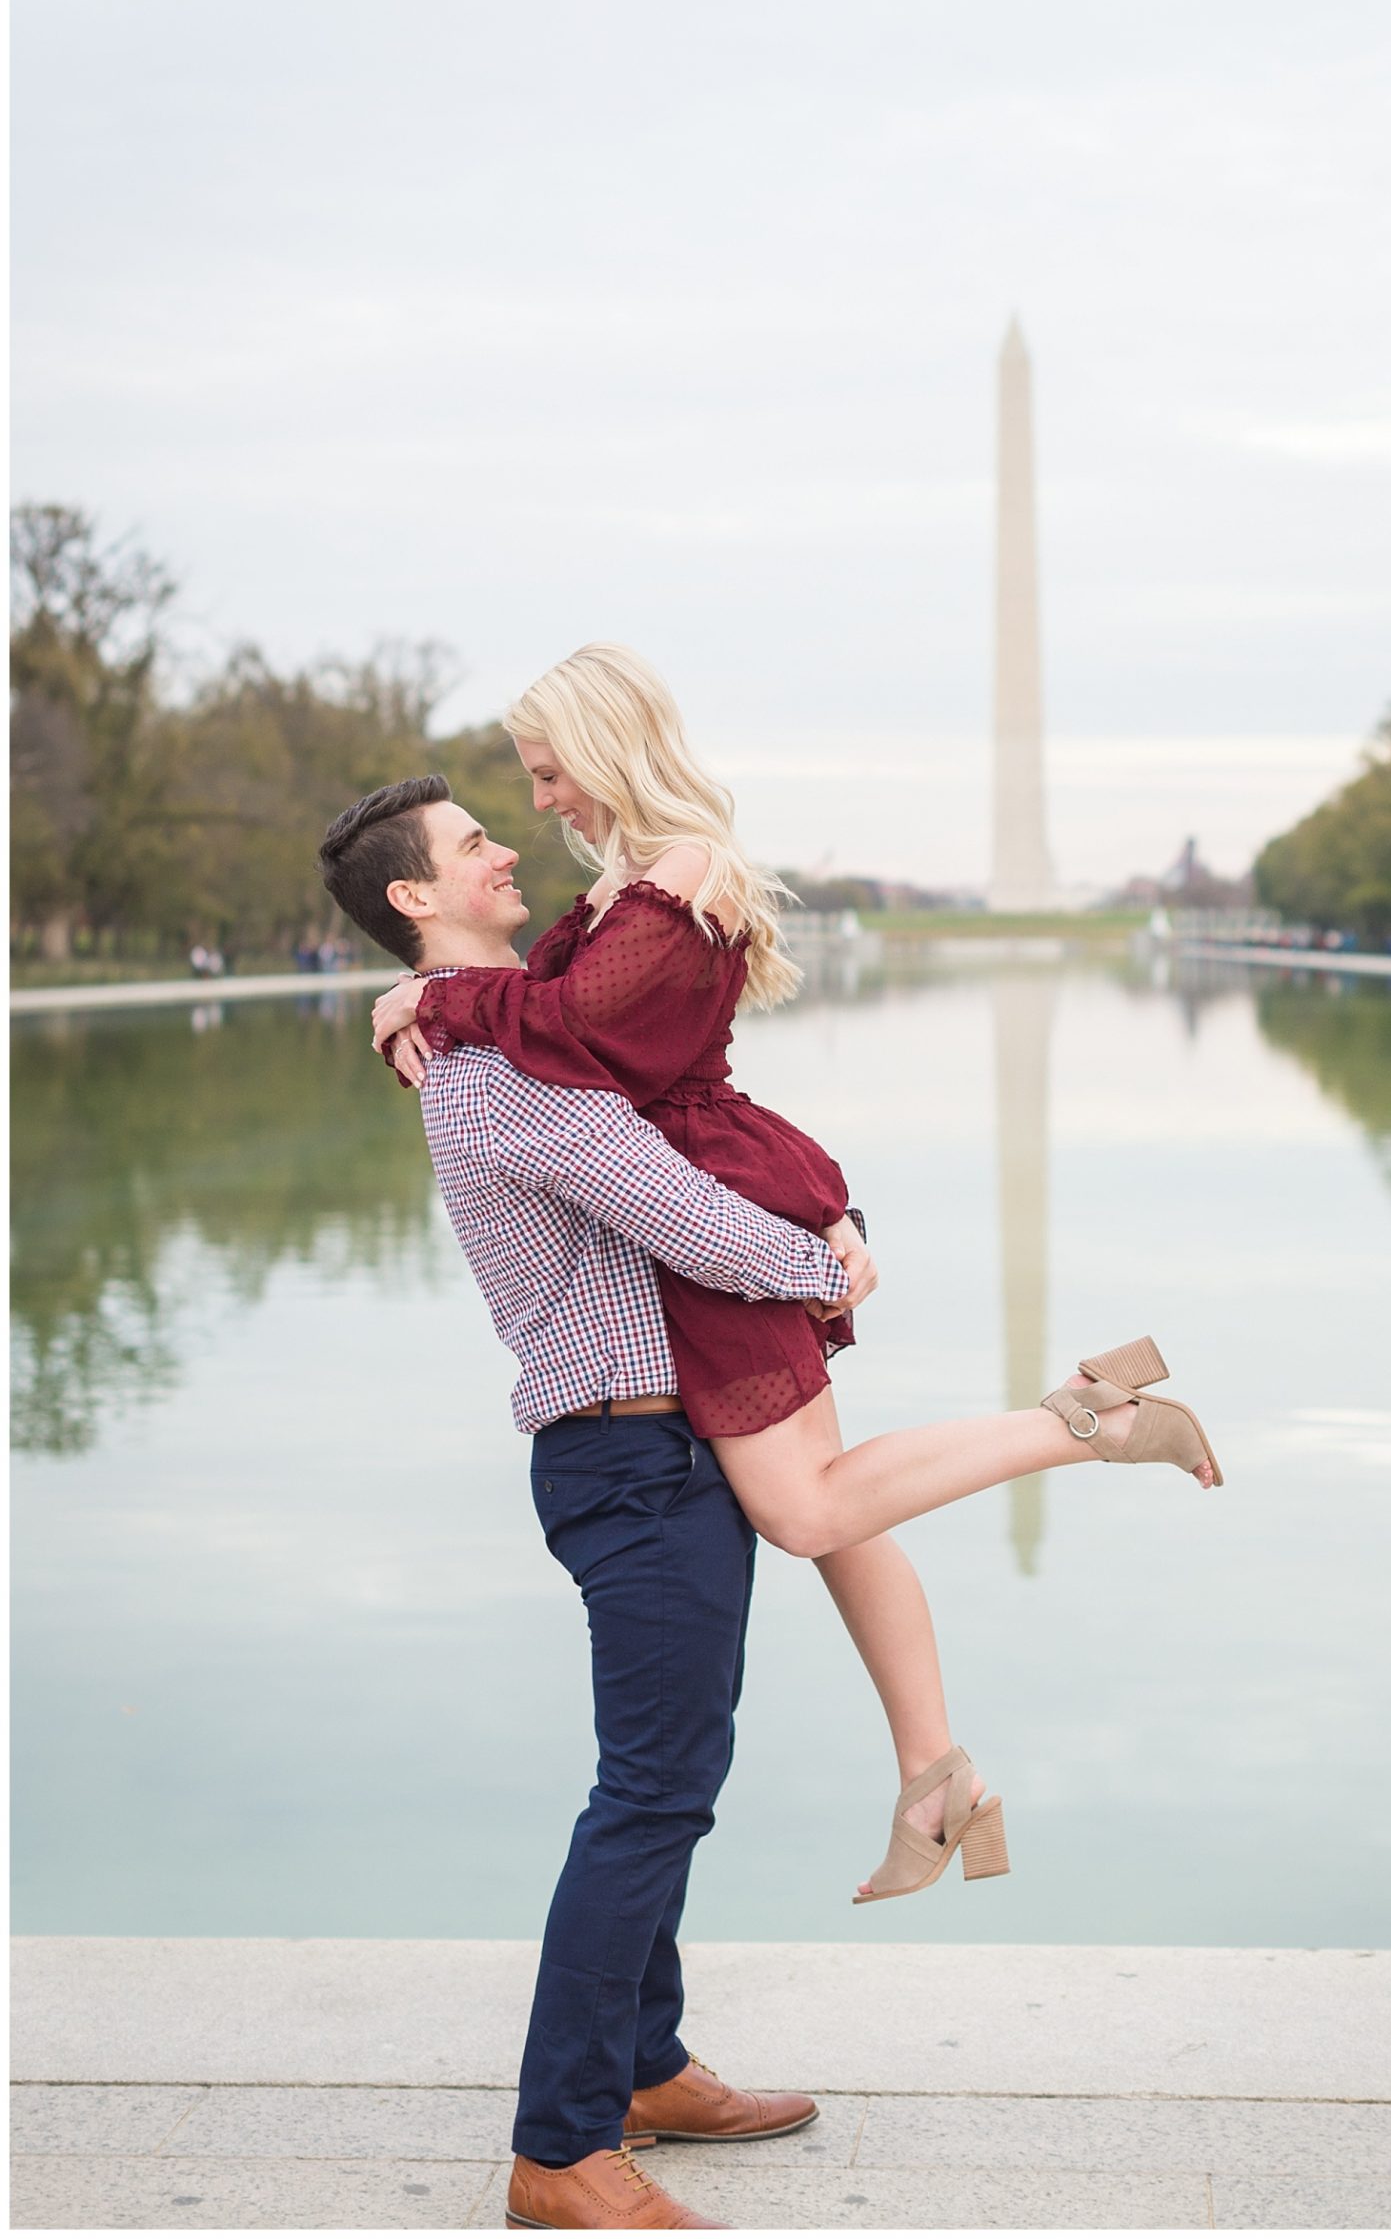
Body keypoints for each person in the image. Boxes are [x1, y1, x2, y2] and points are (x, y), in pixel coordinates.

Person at [366, 645, 1223, 1913]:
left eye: (547, 774)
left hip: (712, 1206)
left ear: (606, 746)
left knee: (807, 1512)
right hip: (730, 1174)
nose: (540, 804)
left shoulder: (678, 871)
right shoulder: (631, 884)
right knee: (838, 1509)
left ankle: (1080, 1420)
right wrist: (435, 998)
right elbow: (568, 1037)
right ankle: (934, 1779)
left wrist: (432, 995)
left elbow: (569, 1035)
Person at [319, 778, 874, 2232]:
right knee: (647, 1794)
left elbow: (698, 1098)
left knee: (671, 1779)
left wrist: (829, 1211)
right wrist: (829, 1268)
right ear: (413, 900)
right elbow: (675, 1207)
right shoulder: (499, 1069)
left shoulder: (524, 1021)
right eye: (469, 846)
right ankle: (559, 2145)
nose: (506, 848)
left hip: (660, 1446)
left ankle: (641, 2064)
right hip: (628, 1460)